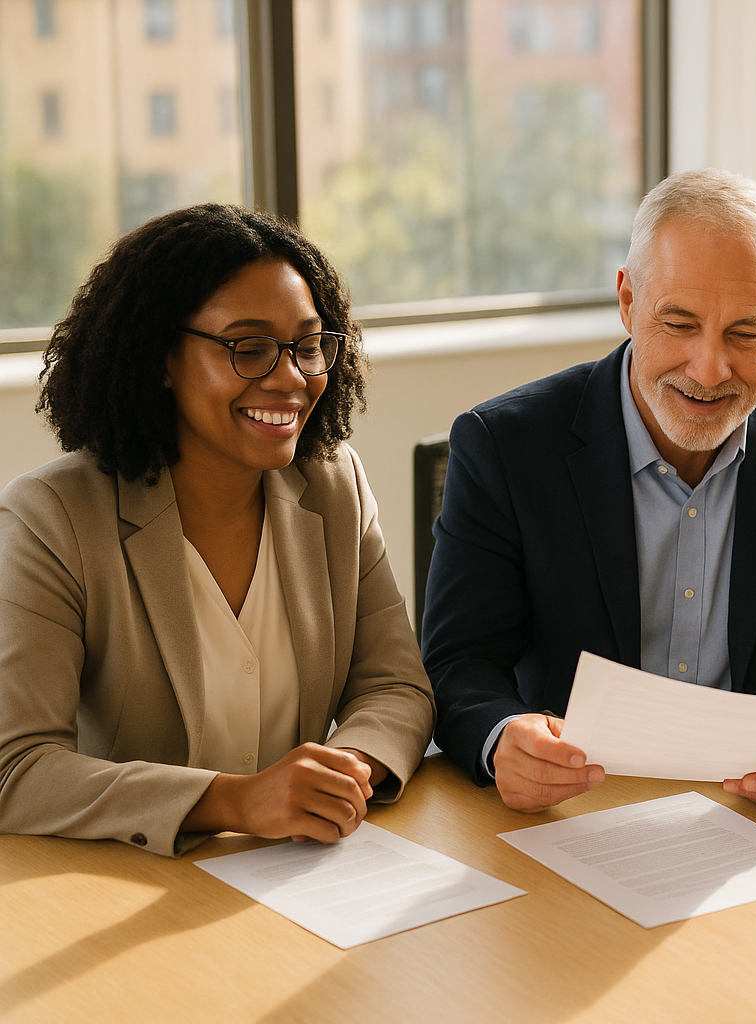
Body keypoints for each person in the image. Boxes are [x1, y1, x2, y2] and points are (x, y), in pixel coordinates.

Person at [422, 167, 756, 814]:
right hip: (574, 806)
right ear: (627, 300)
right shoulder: (505, 445)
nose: (709, 370)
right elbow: (459, 663)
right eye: (678, 323)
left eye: (746, 332)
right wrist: (500, 737)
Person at [0, 204, 435, 856]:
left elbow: (394, 685)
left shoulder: (334, 485)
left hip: (302, 877)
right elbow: (18, 765)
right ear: (161, 358)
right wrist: (236, 800)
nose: (291, 377)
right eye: (250, 348)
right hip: (125, 890)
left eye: (308, 345)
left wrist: (341, 774)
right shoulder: (52, 517)